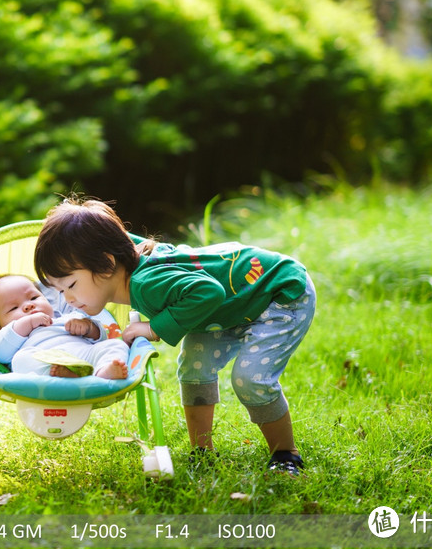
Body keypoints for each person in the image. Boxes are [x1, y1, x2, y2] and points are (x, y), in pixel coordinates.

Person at [33, 197, 316, 476]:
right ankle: (202, 452)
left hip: (277, 292)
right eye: (59, 291)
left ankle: (285, 454)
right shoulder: (123, 257)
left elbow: (210, 291)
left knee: (249, 378)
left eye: (70, 285)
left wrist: (154, 328)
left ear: (107, 265)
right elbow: (110, 235)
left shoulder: (146, 284)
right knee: (194, 369)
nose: (67, 299)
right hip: (230, 306)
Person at [0, 274, 130, 380]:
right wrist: (28, 323)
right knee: (20, 360)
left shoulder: (67, 317)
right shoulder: (3, 335)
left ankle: (102, 373)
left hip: (84, 355)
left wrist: (88, 328)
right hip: (48, 363)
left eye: (33, 298)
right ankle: (62, 374)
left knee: (115, 344)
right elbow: (0, 353)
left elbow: (100, 337)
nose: (28, 305)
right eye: (14, 308)